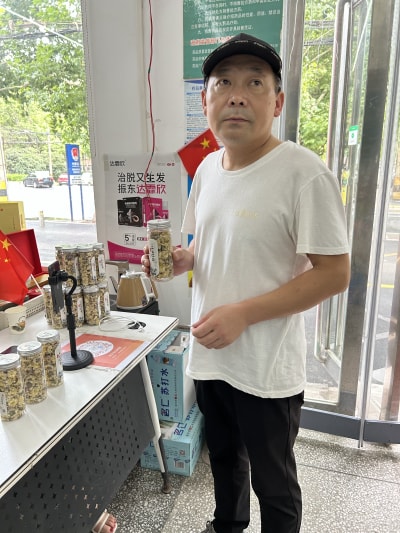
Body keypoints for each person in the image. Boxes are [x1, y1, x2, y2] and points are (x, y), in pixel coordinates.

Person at [141, 33, 350, 533]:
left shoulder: (303, 173)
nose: (236, 95)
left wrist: (244, 314)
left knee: (273, 482)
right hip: (210, 354)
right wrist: (182, 260)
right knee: (224, 461)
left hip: (265, 366)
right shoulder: (208, 167)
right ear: (205, 100)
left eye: (254, 83)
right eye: (224, 83)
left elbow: (335, 273)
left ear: (277, 102)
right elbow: (207, 242)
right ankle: (226, 527)